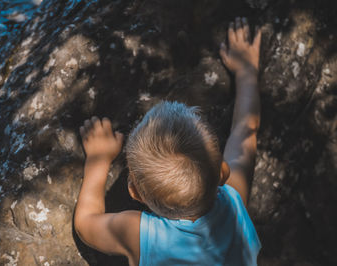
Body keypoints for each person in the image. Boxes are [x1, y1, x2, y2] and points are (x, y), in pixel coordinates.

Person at [74, 17, 262, 266]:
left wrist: (98, 161)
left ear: (135, 193)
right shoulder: (233, 202)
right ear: (222, 172)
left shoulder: (138, 234)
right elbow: (245, 130)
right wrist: (247, 72)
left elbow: (86, 225)